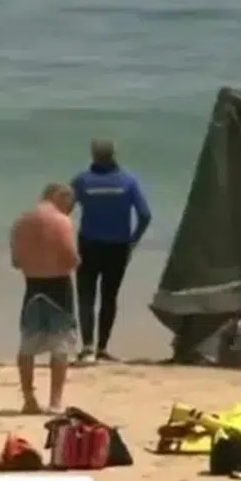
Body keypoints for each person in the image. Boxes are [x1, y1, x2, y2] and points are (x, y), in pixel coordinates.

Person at [71, 139, 151, 363]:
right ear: (114, 153)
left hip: (88, 245)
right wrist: (133, 241)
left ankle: (87, 347)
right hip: (118, 247)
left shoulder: (82, 181)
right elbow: (145, 215)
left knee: (86, 295)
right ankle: (102, 348)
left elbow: (63, 210)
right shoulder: (128, 181)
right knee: (109, 297)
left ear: (93, 155)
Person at [10, 184, 79, 414]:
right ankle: (55, 401)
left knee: (28, 345)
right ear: (59, 197)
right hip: (58, 286)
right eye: (69, 204)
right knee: (60, 346)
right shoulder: (62, 222)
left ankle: (29, 399)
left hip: (32, 285)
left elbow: (16, 261)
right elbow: (70, 259)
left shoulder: (21, 222)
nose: (69, 210)